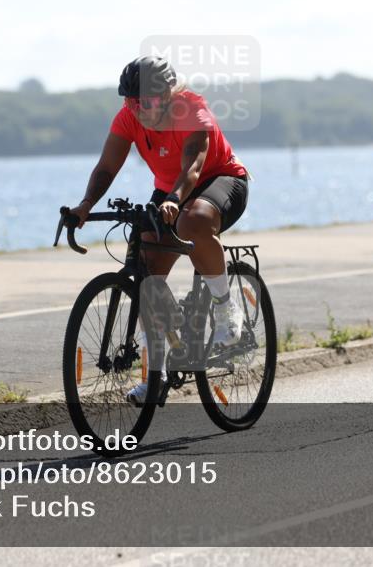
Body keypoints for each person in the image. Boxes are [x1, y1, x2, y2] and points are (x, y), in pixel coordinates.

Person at [68, 56, 250, 404]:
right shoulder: (128, 118)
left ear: (167, 94)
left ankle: (227, 309)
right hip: (170, 192)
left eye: (146, 101)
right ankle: (157, 375)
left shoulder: (190, 110)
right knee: (147, 272)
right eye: (130, 101)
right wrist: (86, 205)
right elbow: (107, 166)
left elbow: (194, 164)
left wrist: (175, 200)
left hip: (220, 180)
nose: (138, 109)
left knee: (192, 220)